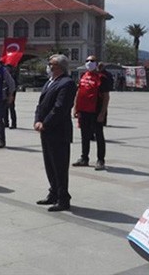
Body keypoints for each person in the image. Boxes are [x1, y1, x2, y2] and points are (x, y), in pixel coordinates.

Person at [34, 54, 77, 212]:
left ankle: (63, 198)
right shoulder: (50, 82)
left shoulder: (67, 83)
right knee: (50, 165)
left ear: (59, 66)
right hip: (45, 130)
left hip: (58, 131)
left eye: (51, 64)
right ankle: (53, 193)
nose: (49, 66)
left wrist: (45, 123)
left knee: (59, 166)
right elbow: (41, 105)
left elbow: (60, 108)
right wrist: (37, 120)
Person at [72, 55, 111, 171]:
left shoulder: (101, 77)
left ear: (97, 63)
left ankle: (100, 160)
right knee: (85, 136)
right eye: (87, 61)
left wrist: (102, 113)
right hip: (84, 111)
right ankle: (84, 158)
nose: (89, 62)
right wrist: (75, 108)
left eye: (92, 61)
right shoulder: (84, 75)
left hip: (96, 111)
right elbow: (79, 92)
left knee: (99, 135)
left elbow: (106, 97)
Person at [4, 64, 19, 129]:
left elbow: (14, 85)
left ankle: (14, 124)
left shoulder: (13, 75)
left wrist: (12, 94)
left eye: (7, 68)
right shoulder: (5, 76)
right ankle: (6, 122)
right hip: (5, 93)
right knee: (5, 108)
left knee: (11, 108)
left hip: (11, 93)